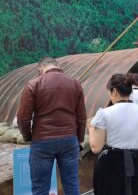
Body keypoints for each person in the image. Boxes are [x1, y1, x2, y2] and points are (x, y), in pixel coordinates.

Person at [17, 57, 87, 195]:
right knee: (71, 184)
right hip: (69, 140)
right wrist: (78, 139)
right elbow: (81, 117)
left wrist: (29, 137)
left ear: (40, 68)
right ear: (57, 66)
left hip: (42, 141)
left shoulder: (33, 84)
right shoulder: (75, 84)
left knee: (40, 188)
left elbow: (23, 118)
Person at [89, 73, 138, 195]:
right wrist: (134, 142)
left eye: (109, 92)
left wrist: (90, 127)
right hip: (135, 161)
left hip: (110, 163)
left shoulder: (104, 114)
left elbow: (96, 147)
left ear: (114, 91)